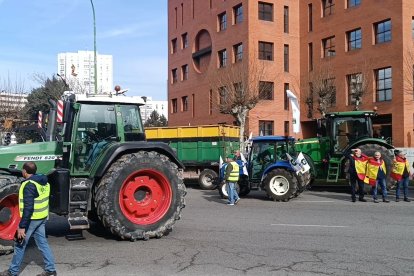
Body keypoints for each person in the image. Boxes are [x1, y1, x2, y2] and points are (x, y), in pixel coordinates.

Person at [0, 162, 57, 276]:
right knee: (42, 243)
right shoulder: (44, 182)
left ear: (25, 171)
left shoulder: (29, 185)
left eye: (22, 170)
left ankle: (12, 272)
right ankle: (51, 270)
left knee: (19, 244)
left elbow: (28, 208)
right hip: (41, 217)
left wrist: (22, 226)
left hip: (32, 219)